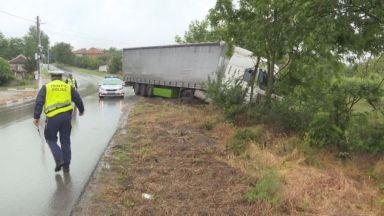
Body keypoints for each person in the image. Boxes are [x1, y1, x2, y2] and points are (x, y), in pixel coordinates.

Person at [33, 70, 84, 173]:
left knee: (50, 139)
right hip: (66, 118)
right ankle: (66, 166)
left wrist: (36, 117)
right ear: (60, 77)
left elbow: (39, 102)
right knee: (65, 141)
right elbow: (77, 98)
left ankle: (59, 159)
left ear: (52, 77)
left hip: (53, 118)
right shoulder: (67, 87)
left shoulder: (46, 87)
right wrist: (81, 110)